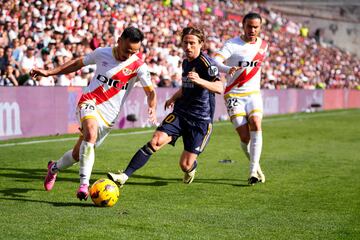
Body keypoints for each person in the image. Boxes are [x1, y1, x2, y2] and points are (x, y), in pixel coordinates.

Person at [30, 26, 157, 200]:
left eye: (134, 52)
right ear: (119, 41)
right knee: (90, 132)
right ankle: (84, 185)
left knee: (77, 155)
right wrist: (49, 72)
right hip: (89, 102)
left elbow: (150, 91)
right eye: (127, 50)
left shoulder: (138, 66)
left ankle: (54, 168)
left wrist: (151, 104)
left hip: (109, 117)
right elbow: (77, 63)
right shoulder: (102, 53)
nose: (129, 55)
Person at [107, 26, 223, 186]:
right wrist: (173, 98)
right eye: (185, 43)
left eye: (192, 43)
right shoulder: (185, 63)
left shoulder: (207, 64)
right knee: (156, 140)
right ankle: (124, 176)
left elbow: (219, 87)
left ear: (201, 43)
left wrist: (200, 80)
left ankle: (191, 168)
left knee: (185, 165)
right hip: (181, 113)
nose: (188, 47)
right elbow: (186, 86)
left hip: (200, 120)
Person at [213, 12, 268, 185]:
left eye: (256, 27)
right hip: (234, 95)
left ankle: (252, 170)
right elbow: (216, 61)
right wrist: (226, 68)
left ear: (260, 28)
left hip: (253, 94)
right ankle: (256, 165)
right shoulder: (232, 44)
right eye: (249, 26)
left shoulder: (263, 45)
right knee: (245, 137)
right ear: (243, 26)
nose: (252, 30)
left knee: (256, 123)